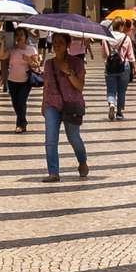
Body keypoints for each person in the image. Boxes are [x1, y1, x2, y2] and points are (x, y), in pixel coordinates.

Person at [39, 29, 90, 181]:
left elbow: (80, 86)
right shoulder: (48, 63)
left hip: (71, 104)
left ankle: (82, 162)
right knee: (50, 139)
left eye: (60, 43)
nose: (57, 46)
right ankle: (53, 172)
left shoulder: (77, 63)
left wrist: (69, 72)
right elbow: (46, 84)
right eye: (54, 43)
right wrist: (43, 103)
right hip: (52, 104)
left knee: (73, 137)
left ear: (68, 44)